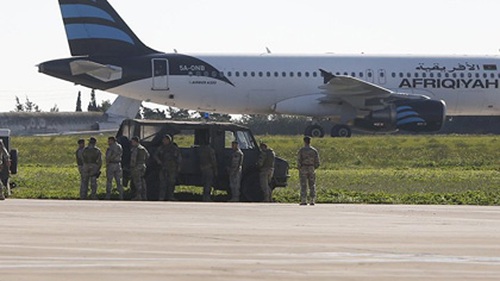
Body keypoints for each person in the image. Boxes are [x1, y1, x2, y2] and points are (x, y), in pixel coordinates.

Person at [154, 135, 181, 201]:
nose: (164, 141)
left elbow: (179, 158)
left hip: (172, 168)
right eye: (164, 140)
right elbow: (155, 155)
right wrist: (158, 161)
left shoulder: (174, 148)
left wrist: (178, 167)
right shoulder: (161, 148)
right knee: (162, 183)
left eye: (166, 140)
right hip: (163, 167)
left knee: (171, 183)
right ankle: (161, 197)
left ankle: (170, 197)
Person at [297, 136, 320, 206]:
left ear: (304, 141)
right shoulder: (314, 151)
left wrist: (299, 167)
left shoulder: (302, 150)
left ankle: (304, 199)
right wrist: (314, 167)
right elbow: (317, 161)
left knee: (303, 184)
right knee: (312, 184)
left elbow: (299, 160)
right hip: (311, 168)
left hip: (304, 167)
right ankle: (312, 200)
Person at [130, 136, 150, 201]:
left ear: (136, 142)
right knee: (142, 181)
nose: (132, 143)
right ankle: (144, 196)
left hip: (137, 167)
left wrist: (132, 166)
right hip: (143, 166)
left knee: (137, 182)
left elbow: (133, 159)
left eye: (133, 142)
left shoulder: (136, 149)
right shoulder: (143, 148)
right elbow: (147, 156)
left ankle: (139, 196)